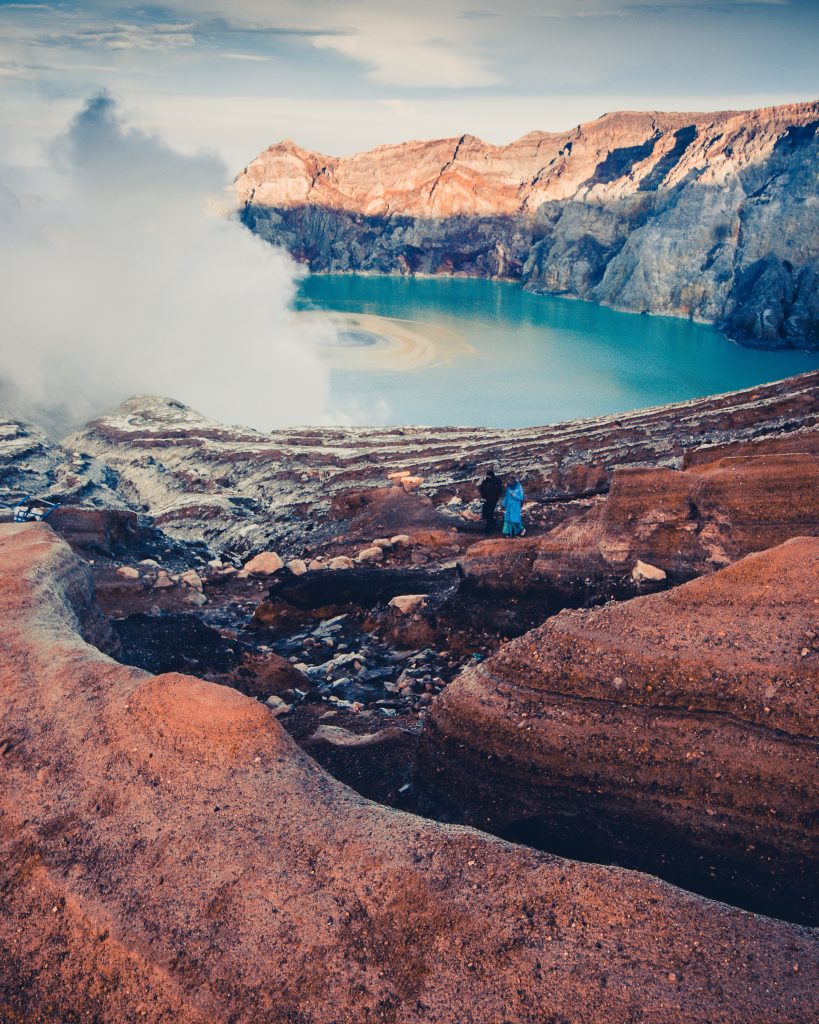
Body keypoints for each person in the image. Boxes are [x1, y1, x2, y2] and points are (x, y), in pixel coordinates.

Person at [478, 468, 503, 534]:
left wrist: (494, 496)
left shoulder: (495, 482)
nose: (487, 477)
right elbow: (481, 488)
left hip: (493, 500)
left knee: (489, 514)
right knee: (485, 513)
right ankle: (493, 522)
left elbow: (498, 491)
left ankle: (488, 530)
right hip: (488, 500)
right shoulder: (486, 481)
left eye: (488, 476)